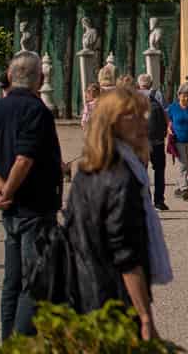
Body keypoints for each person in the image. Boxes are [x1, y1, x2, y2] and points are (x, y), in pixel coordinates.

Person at [64, 86, 168, 339]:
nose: (144, 123)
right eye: (132, 115)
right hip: (113, 297)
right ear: (112, 123)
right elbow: (125, 253)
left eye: (142, 114)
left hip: (83, 289)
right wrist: (144, 316)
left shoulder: (88, 171)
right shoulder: (122, 177)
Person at [0, 52, 65, 336]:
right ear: (40, 79)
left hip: (13, 211)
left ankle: (7, 344)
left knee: (12, 283)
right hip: (35, 207)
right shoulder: (37, 111)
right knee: (35, 282)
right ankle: (20, 351)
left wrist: (1, 190)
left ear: (10, 77)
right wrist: (8, 191)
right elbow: (24, 159)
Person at [137, 74, 171, 211]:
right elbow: (166, 114)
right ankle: (159, 201)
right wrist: (167, 131)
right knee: (159, 170)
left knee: (142, 171)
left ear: (139, 84)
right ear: (151, 84)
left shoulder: (134, 96)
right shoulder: (157, 94)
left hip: (140, 141)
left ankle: (145, 200)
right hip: (157, 140)